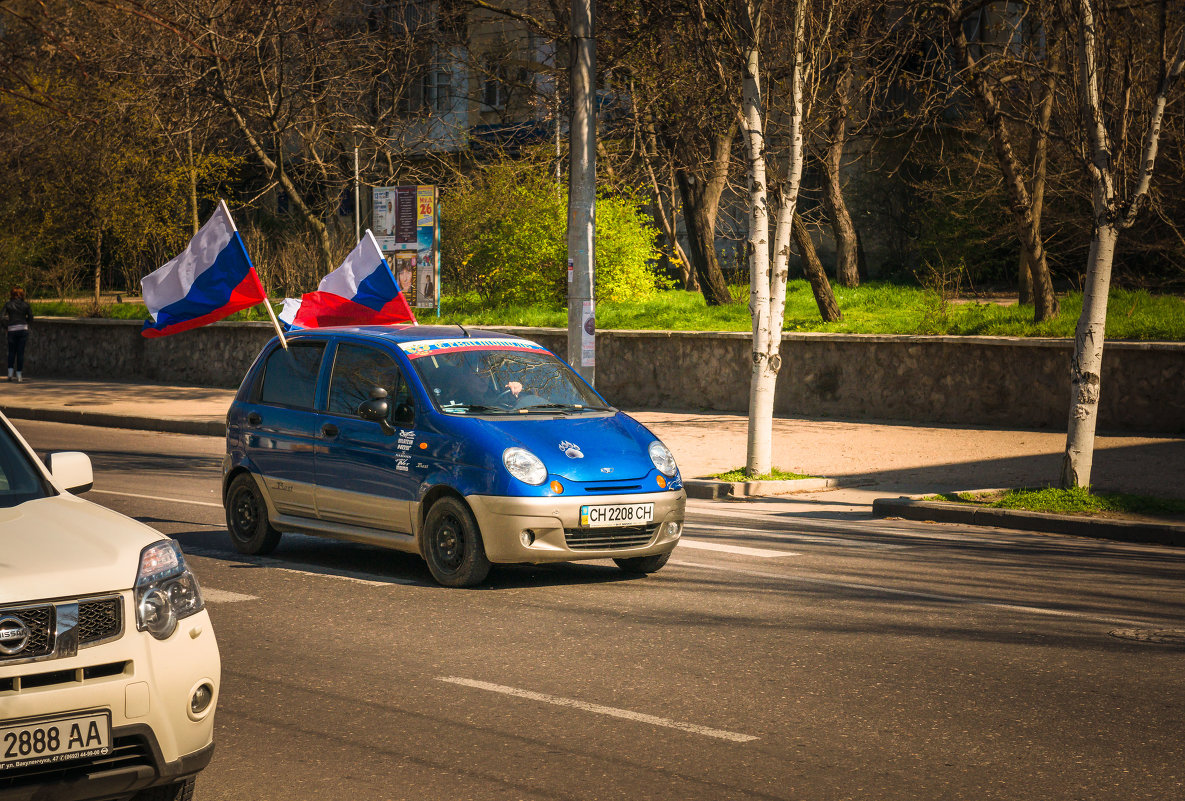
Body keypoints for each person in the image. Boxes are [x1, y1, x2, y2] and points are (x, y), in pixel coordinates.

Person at [3, 287, 33, 382]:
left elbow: (1, 317)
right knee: (20, 352)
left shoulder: (8, 304)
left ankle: (10, 373)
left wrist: (6, 327)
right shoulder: (26, 305)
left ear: (12, 294)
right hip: (22, 329)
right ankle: (19, 374)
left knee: (11, 352)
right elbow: (31, 317)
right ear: (22, 294)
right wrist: (26, 323)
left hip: (11, 329)